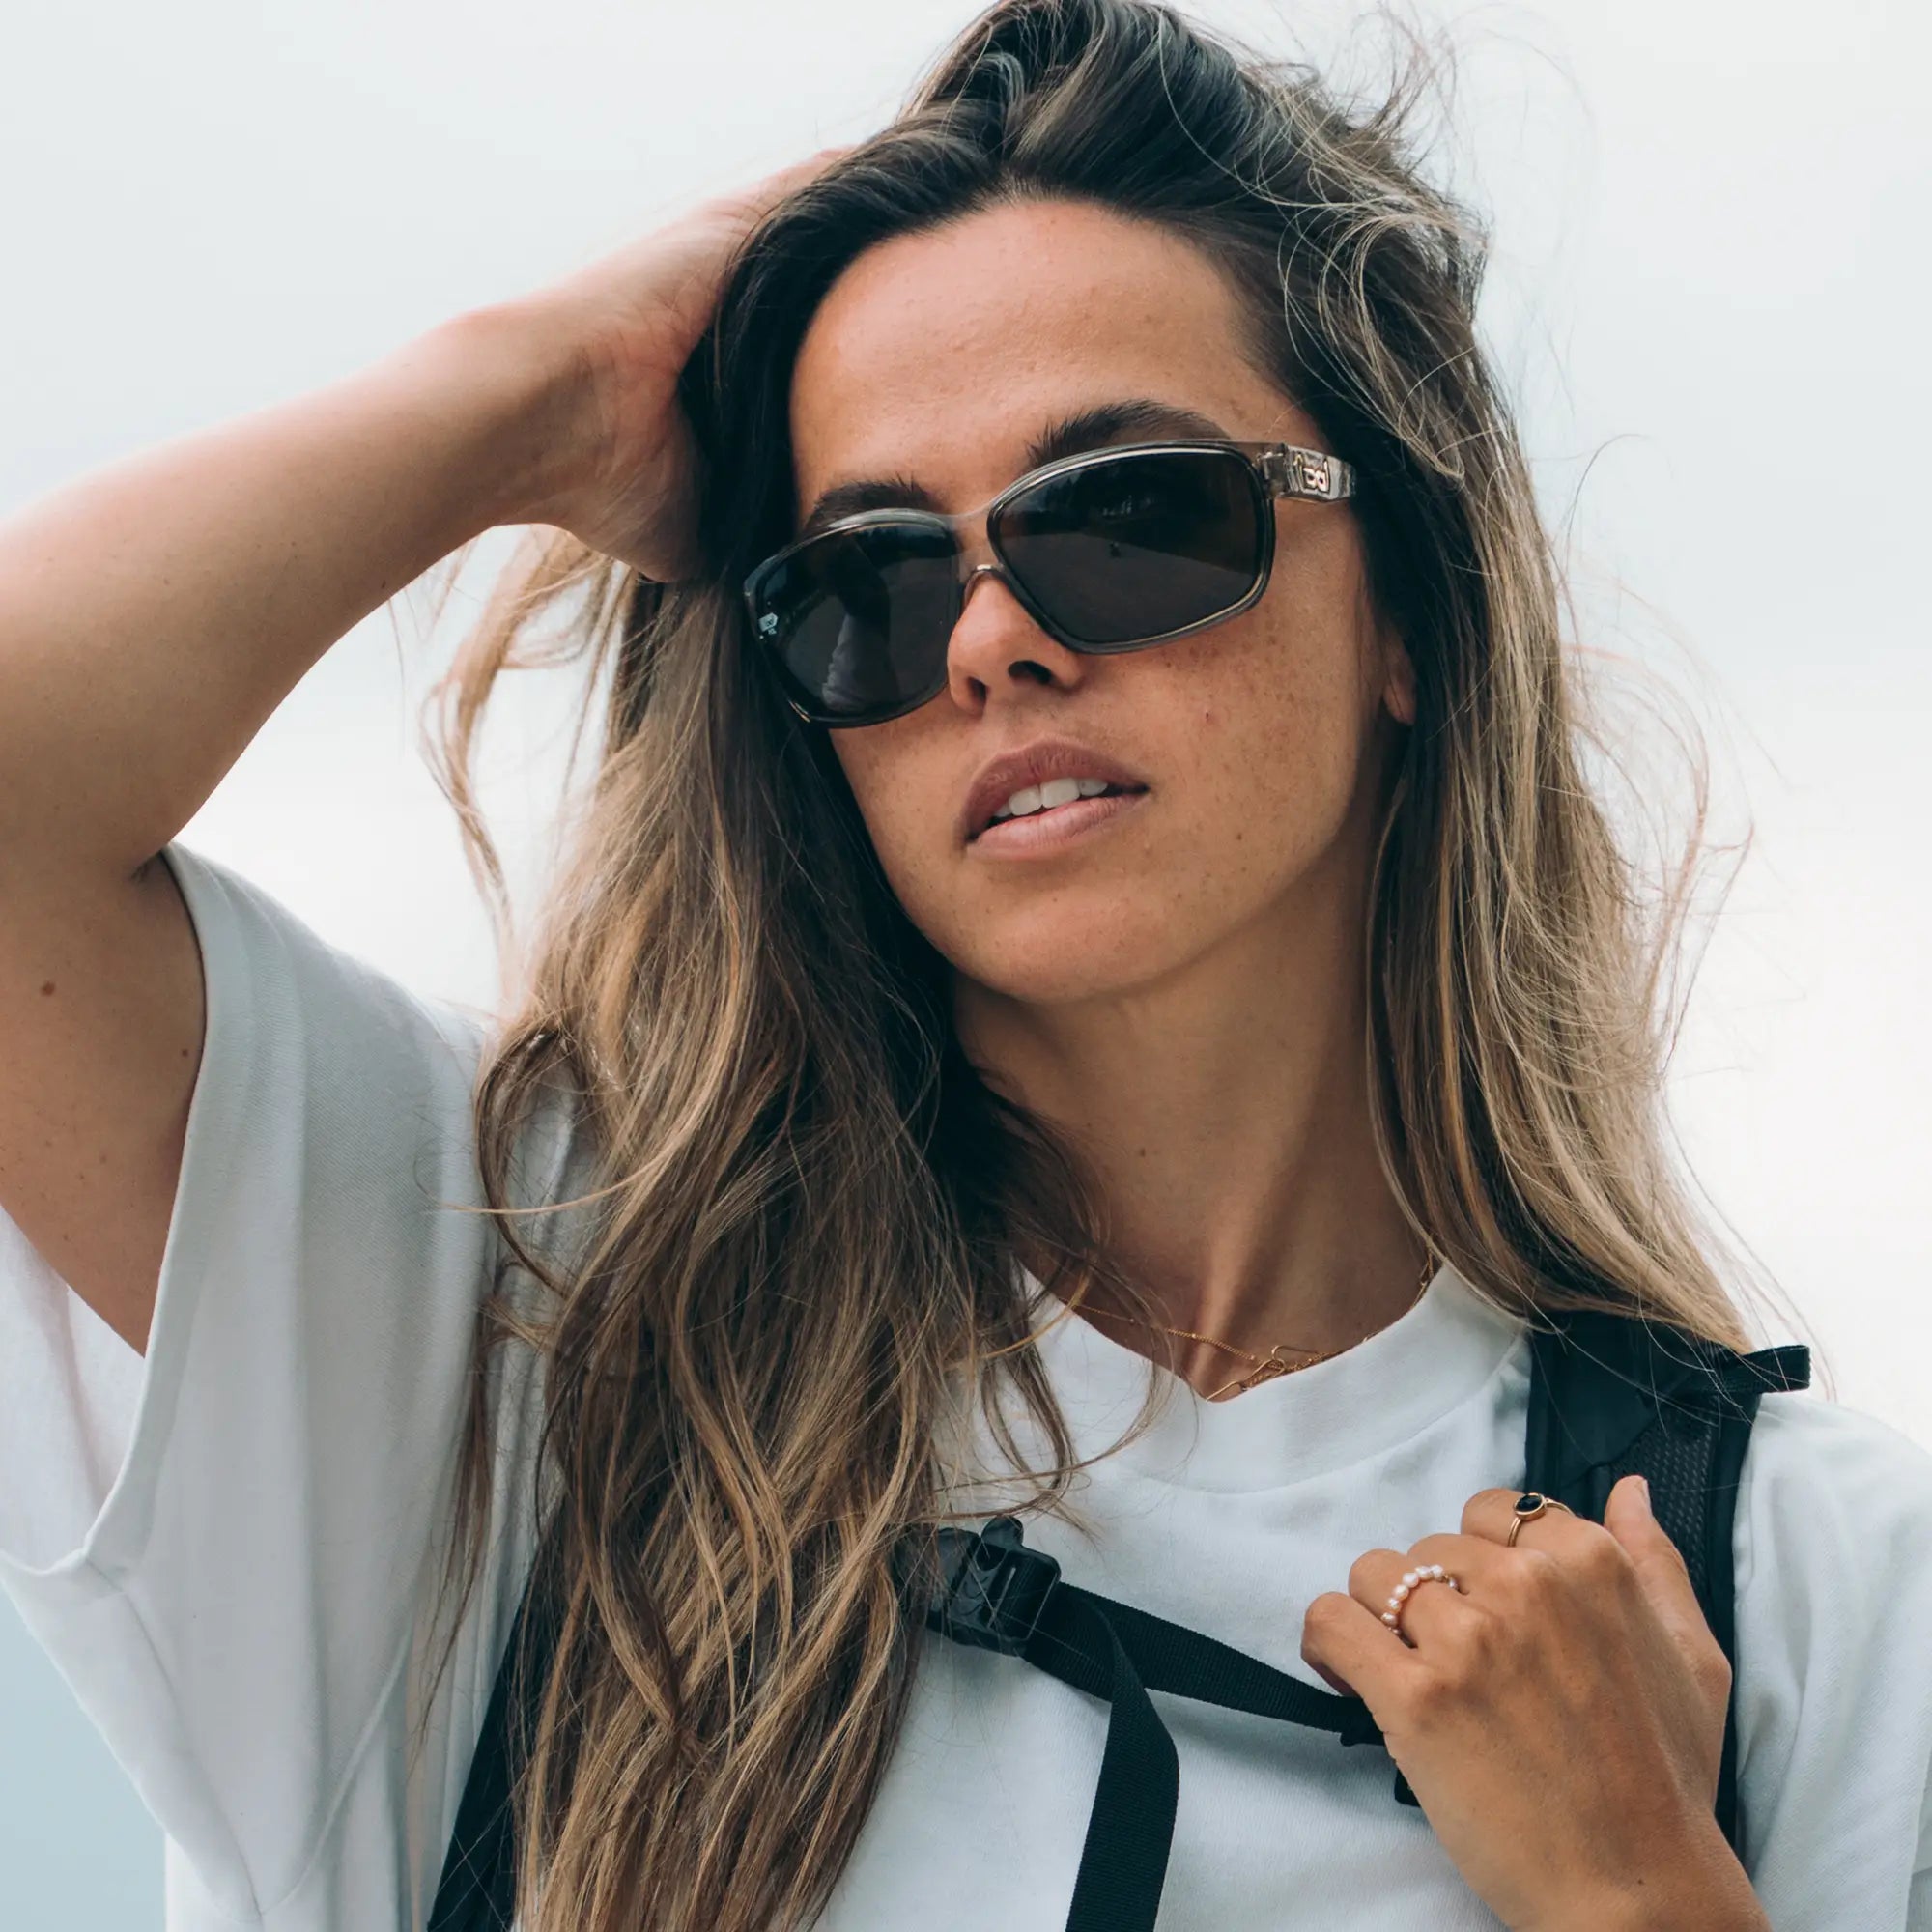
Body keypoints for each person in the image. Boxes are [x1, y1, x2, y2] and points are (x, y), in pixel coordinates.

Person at [1, 0, 1928, 1927]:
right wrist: (551, 392)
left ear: (1410, 613)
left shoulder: (1802, 1580)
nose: (992, 637)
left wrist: (1643, 1893)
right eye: (871, 580)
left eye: (1130, 514)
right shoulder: (506, 1345)